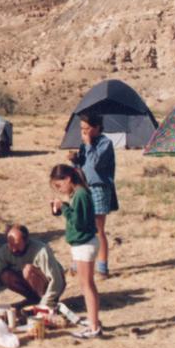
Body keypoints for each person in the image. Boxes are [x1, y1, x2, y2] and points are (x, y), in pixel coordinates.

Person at [50, 164, 102, 339]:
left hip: (84, 245)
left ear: (68, 179)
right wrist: (64, 208)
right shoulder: (80, 193)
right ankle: (93, 320)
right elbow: (79, 216)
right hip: (84, 244)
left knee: (87, 285)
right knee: (87, 285)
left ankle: (94, 327)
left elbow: (79, 222)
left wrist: (64, 208)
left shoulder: (80, 195)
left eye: (59, 185)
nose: (60, 190)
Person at [68, 112, 118, 277]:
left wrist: (89, 144)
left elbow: (96, 163)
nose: (84, 132)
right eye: (82, 128)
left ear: (97, 128)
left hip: (99, 188)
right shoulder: (85, 144)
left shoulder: (105, 143)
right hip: (85, 188)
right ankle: (78, 262)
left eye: (87, 128)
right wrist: (75, 160)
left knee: (98, 229)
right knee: (81, 225)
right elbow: (83, 167)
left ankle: (102, 267)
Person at [0, 225, 66, 309]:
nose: (13, 249)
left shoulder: (41, 251)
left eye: (17, 245)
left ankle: (46, 302)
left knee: (28, 270)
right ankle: (34, 300)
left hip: (54, 285)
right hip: (34, 285)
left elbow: (56, 280)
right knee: (5, 276)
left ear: (26, 241)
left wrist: (46, 302)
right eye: (10, 245)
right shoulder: (5, 251)